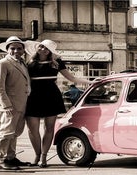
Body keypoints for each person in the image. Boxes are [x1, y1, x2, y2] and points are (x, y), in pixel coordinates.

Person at [24, 39, 93, 168]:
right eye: (41, 47)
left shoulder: (57, 62)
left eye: (46, 48)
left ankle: (44, 157)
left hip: (51, 95)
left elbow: (72, 78)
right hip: (32, 96)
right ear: (37, 47)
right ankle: (37, 155)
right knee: (32, 129)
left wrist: (91, 82)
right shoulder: (29, 62)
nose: (43, 49)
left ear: (50, 51)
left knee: (49, 128)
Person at [0, 36, 31, 170]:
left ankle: (11, 157)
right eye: (12, 48)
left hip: (21, 103)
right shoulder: (2, 64)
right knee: (6, 132)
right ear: (7, 50)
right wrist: (5, 104)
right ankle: (0, 159)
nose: (16, 51)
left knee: (14, 133)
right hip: (9, 105)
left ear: (23, 50)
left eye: (19, 48)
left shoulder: (22, 63)